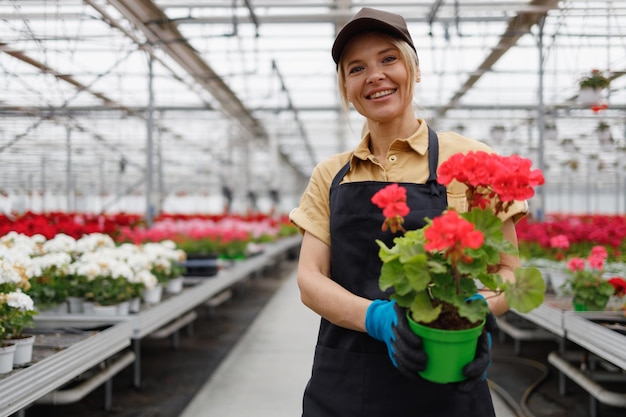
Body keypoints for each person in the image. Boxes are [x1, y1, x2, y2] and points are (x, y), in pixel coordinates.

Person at [289, 7, 527, 417]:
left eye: (388, 59)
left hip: (447, 376)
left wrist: (474, 313)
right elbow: (310, 279)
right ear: (346, 88)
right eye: (356, 68)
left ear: (414, 70)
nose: (375, 76)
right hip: (346, 381)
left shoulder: (470, 160)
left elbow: (510, 271)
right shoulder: (330, 174)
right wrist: (378, 318)